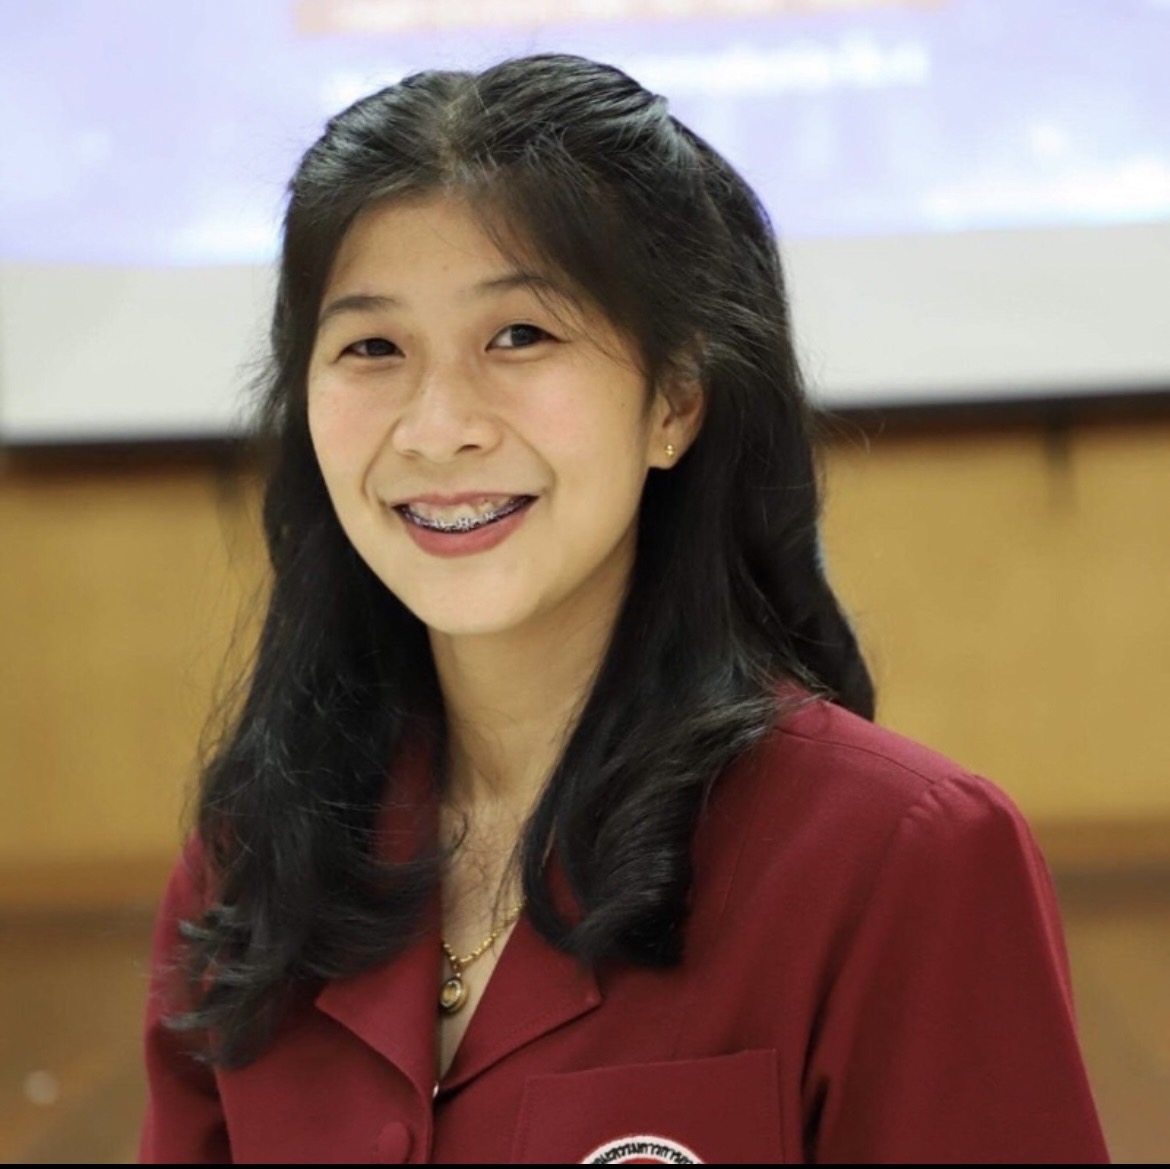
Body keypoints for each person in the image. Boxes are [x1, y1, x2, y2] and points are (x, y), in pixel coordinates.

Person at [138, 52, 1110, 1164]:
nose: (437, 427)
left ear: (676, 399)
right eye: (372, 347)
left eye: (521, 335)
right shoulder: (253, 861)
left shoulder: (904, 858)